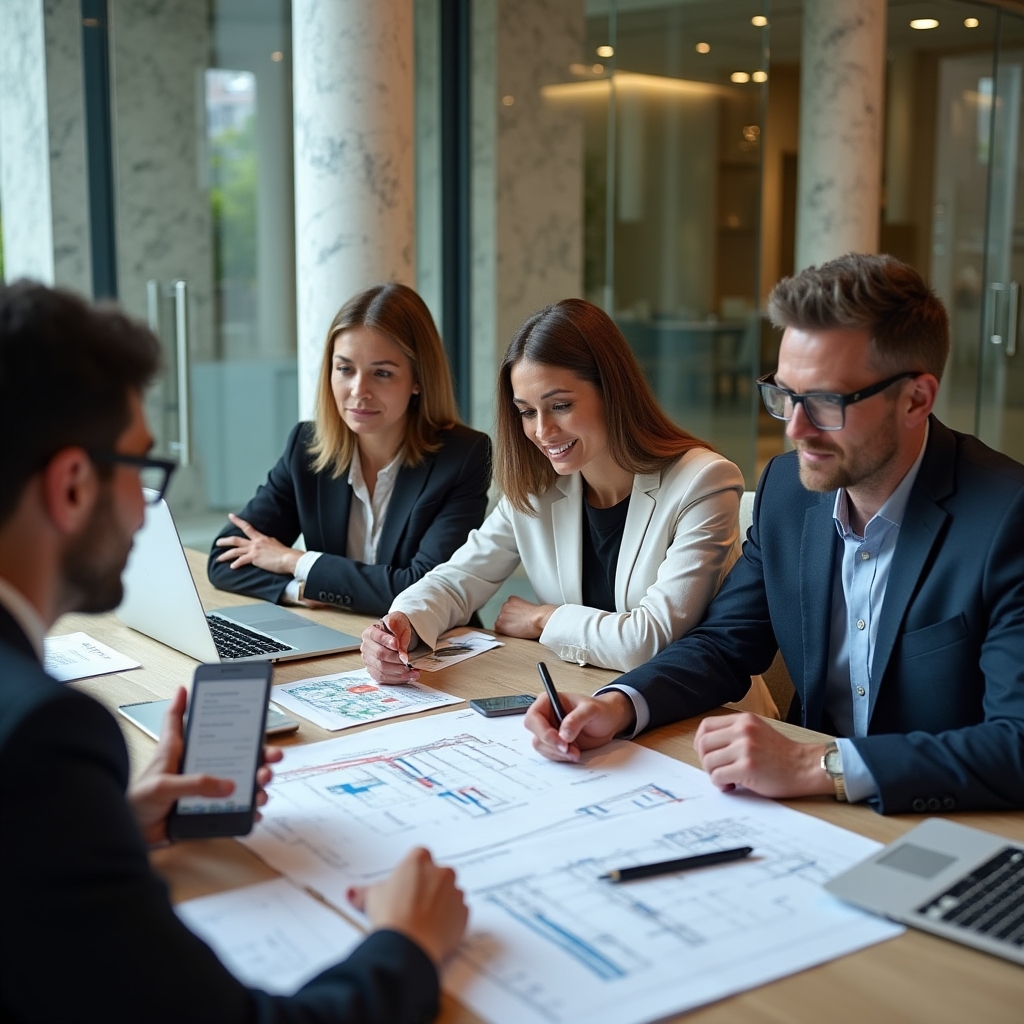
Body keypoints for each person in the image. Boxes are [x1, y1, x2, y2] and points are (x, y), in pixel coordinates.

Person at [0, 280, 467, 1023]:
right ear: (72, 485)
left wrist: (112, 823)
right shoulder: (45, 741)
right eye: (143, 473)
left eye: (383, 371)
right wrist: (406, 941)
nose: (145, 512)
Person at [524, 254, 1024, 816]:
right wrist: (618, 705)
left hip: (947, 819)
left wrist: (814, 766)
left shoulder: (1007, 518)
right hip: (806, 814)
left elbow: (1016, 742)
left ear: (916, 398)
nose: (795, 429)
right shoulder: (789, 490)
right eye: (785, 395)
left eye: (827, 402)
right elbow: (725, 642)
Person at [361, 298, 776, 717]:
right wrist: (401, 625)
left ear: (612, 390)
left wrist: (544, 619)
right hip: (589, 704)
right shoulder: (539, 487)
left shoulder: (703, 480)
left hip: (707, 719)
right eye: (526, 412)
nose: (543, 431)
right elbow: (457, 580)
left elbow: (649, 642)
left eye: (560, 406)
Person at [208, 282, 491, 617]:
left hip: (429, 651)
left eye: (382, 373)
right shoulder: (306, 447)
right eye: (344, 369)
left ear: (419, 380)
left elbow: (421, 589)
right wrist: (297, 590)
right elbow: (224, 559)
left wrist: (294, 561)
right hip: (339, 638)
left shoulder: (462, 458)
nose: (359, 390)